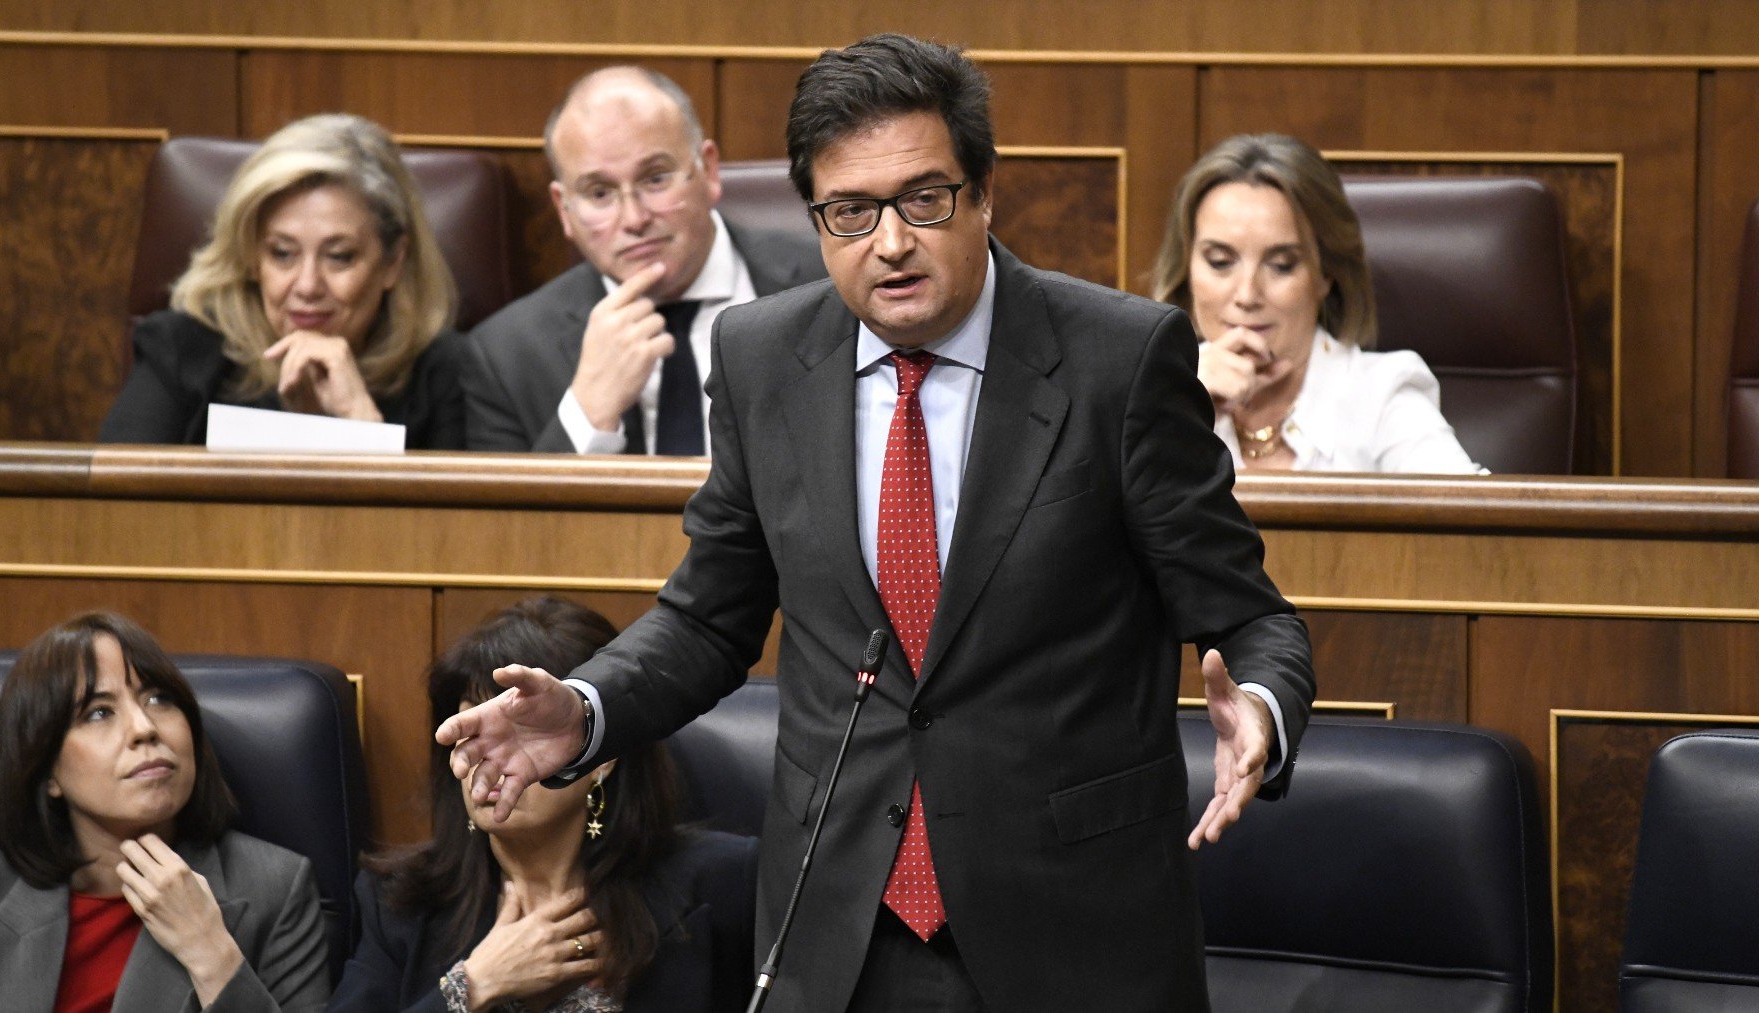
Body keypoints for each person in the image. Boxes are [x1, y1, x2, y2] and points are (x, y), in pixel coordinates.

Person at [439, 34, 1314, 1013]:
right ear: (814, 217)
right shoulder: (763, 355)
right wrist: (588, 707)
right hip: (840, 931)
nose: (889, 241)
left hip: (1074, 934)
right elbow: (707, 617)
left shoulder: (1120, 358)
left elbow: (1252, 619)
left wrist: (1263, 715)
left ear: (984, 193)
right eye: (851, 212)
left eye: (923, 199)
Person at [330, 595, 758, 1013]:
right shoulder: (399, 902)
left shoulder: (723, 885)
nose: (491, 757)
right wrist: (474, 985)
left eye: (520, 731)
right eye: (474, 728)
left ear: (602, 757)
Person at [0, 612, 326, 1010]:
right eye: (98, 712)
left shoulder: (274, 888)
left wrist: (211, 953)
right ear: (47, 771)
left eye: (159, 699)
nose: (144, 727)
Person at [461, 66, 824, 454]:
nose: (634, 219)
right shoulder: (506, 355)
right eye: (599, 193)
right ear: (563, 209)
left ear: (709, 170)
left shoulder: (828, 287)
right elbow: (509, 516)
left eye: (655, 179)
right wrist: (587, 414)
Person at [99, 113, 468, 449]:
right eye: (282, 254)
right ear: (252, 256)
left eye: (339, 257)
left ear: (392, 263)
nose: (307, 286)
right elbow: (116, 512)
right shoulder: (181, 350)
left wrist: (362, 425)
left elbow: (447, 524)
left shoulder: (443, 372)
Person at [1152, 133, 1485, 473]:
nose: (1247, 295)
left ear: (1326, 273)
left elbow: (1483, 516)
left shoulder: (1379, 395)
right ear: (1187, 267)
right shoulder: (1154, 391)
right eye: (1220, 261)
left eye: (1282, 265)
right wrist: (1174, 400)